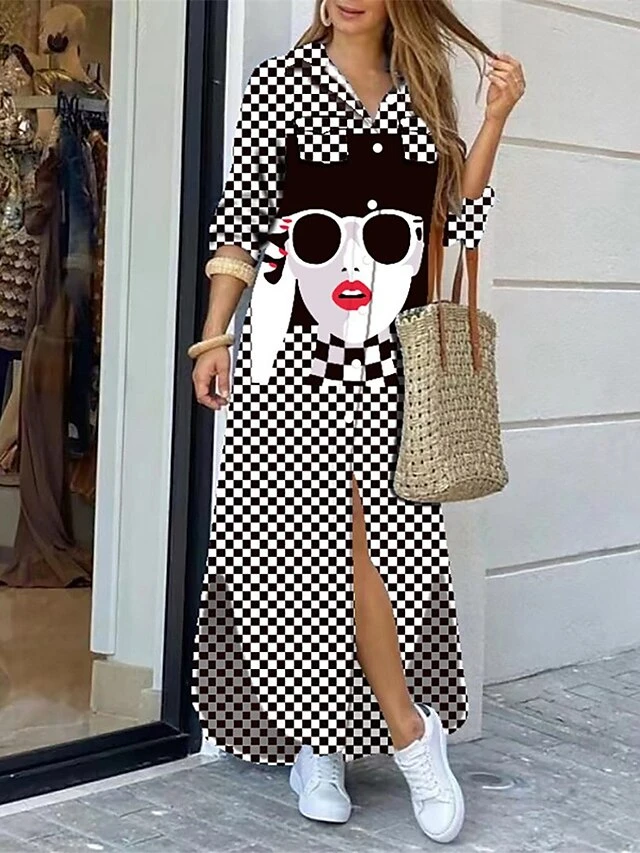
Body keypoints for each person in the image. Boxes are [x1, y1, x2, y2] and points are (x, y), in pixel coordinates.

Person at [190, 0, 525, 844]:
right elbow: (241, 220)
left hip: (392, 358)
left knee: (381, 553)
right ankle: (320, 747)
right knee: (299, 555)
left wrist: (494, 118)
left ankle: (410, 733)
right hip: (288, 353)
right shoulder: (281, 83)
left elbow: (457, 222)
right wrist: (214, 334)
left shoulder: (422, 91)